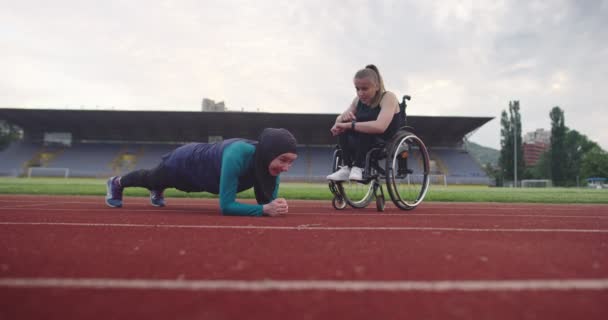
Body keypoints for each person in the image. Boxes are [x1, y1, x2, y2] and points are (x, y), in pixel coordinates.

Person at [105, 128, 298, 217]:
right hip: (185, 162)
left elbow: (267, 203)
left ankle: (158, 188)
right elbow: (227, 207)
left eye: (291, 162)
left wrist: (276, 205)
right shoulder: (237, 154)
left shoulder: (269, 164)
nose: (286, 168)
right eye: (283, 160)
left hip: (203, 180)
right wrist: (264, 209)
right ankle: (117, 182)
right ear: (268, 153)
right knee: (151, 179)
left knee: (162, 183)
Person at [327, 64, 402, 181]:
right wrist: (341, 119)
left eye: (365, 89)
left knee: (362, 125)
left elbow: (380, 127)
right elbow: (339, 120)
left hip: (384, 140)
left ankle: (358, 167)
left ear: (376, 86)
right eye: (357, 89)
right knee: (347, 125)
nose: (360, 93)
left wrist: (349, 124)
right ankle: (347, 167)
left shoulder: (388, 97)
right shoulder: (357, 101)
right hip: (364, 139)